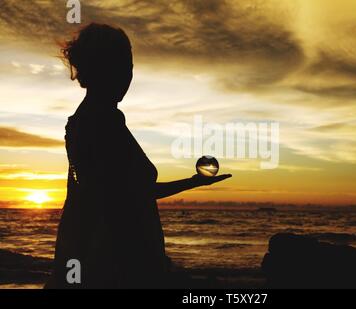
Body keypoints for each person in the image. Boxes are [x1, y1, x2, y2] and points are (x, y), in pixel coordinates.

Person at [46, 23, 231, 289]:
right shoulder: (100, 122)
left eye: (129, 69)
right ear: (103, 70)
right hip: (110, 263)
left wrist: (193, 182)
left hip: (100, 256)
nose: (128, 77)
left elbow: (122, 192)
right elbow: (120, 200)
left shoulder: (92, 119)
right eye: (122, 68)